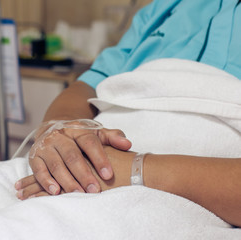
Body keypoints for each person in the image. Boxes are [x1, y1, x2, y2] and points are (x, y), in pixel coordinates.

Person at [15, 0, 241, 227]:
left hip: (189, 189)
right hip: (92, 163)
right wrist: (61, 134)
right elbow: (87, 84)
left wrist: (131, 171)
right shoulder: (163, 10)